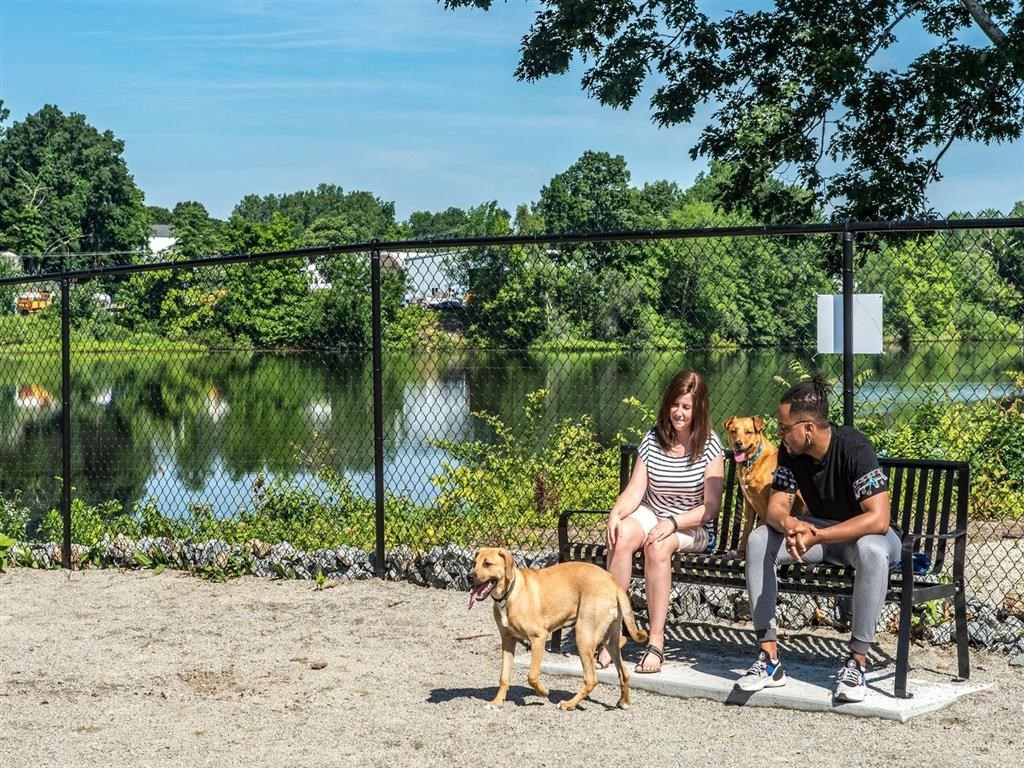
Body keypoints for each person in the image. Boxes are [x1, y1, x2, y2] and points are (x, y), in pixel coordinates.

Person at [735, 372, 898, 702]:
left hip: (865, 537)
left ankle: (857, 663)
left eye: (784, 428)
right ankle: (769, 660)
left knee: (870, 550)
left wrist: (819, 534)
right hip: (818, 536)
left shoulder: (854, 448)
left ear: (807, 429)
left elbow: (879, 519)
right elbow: (775, 510)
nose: (779, 434)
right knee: (759, 540)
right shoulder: (791, 455)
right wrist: (794, 525)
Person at [599, 369, 724, 674]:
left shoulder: (710, 445)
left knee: (657, 546)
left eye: (686, 407)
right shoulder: (653, 439)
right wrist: (615, 513)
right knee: (622, 534)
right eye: (675, 405)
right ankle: (613, 633)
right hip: (653, 513)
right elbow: (635, 490)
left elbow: (710, 508)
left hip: (692, 525)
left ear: (699, 409)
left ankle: (656, 640)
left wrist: (673, 522)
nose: (678, 413)